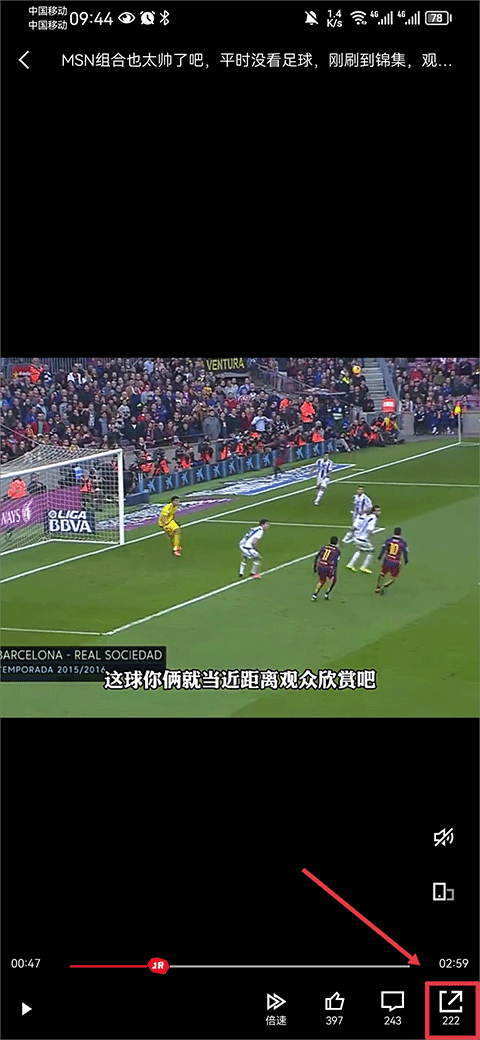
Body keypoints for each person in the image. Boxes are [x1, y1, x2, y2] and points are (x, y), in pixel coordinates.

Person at [346, 506, 382, 574]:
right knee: (371, 551)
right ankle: (364, 567)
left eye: (379, 511)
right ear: (373, 511)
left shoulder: (368, 516)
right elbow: (369, 529)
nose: (379, 512)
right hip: (362, 539)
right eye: (377, 511)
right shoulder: (373, 518)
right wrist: (372, 535)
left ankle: (350, 564)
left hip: (357, 537)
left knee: (360, 550)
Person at [376, 527, 408, 594]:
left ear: (394, 532)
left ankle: (378, 587)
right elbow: (405, 552)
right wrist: (406, 560)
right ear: (400, 533)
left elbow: (384, 549)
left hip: (387, 560)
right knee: (394, 577)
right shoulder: (403, 542)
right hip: (396, 562)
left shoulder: (388, 540)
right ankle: (386, 584)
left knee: (382, 574)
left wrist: (380, 556)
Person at [312, 535, 341, 601]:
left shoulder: (324, 547)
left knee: (321, 581)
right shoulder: (337, 551)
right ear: (337, 542)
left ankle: (315, 595)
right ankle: (327, 593)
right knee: (333, 580)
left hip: (320, 565)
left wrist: (315, 566)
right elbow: (335, 561)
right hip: (328, 566)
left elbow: (317, 556)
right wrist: (334, 570)